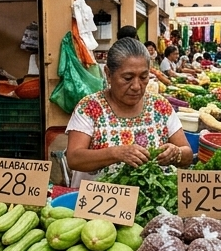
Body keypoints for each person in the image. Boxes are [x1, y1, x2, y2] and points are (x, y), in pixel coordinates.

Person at [65, 38, 193, 184]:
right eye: (127, 78)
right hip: (99, 202)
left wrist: (176, 153)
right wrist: (116, 153)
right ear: (108, 74)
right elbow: (74, 158)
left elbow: (188, 154)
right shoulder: (89, 107)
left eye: (144, 77)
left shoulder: (160, 106)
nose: (137, 86)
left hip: (150, 202)